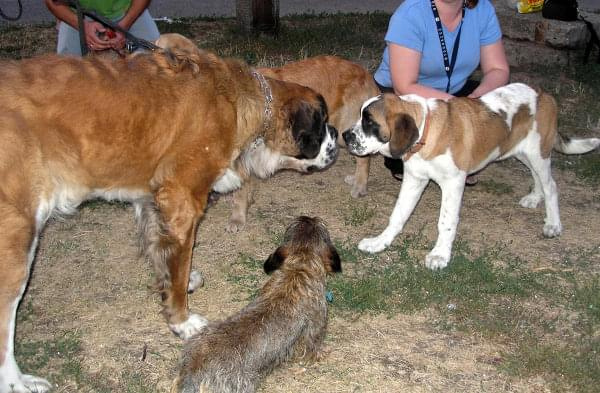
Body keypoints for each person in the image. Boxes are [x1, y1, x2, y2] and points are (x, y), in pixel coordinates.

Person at [374, 0, 510, 183]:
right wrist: (458, 106)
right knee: (405, 159)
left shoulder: (483, 9)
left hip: (454, 90)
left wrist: (476, 99)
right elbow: (404, 86)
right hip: (405, 97)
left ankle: (461, 154)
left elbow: (498, 70)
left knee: (497, 99)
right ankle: (451, 153)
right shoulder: (410, 14)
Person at [45, 0, 160, 55]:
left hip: (127, 9)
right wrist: (83, 27)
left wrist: (124, 26)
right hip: (78, 13)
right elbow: (53, 2)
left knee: (154, 62)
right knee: (66, 72)